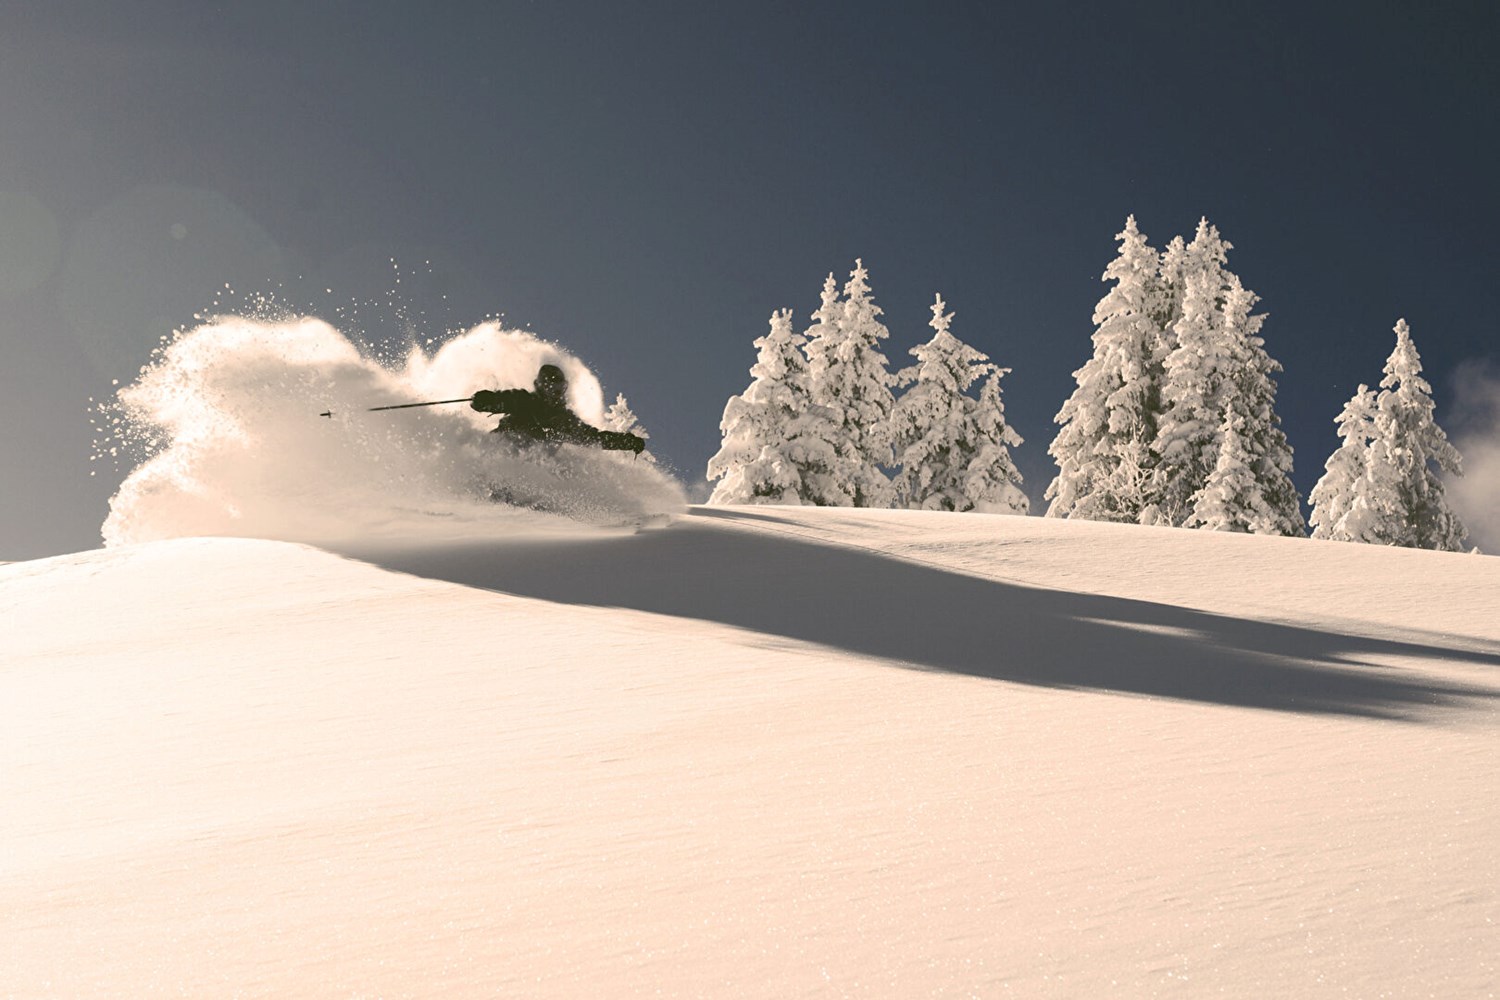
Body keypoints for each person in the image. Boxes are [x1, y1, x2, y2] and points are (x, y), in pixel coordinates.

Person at [471, 364, 645, 454]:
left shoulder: (564, 420)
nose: (556, 393)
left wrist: (626, 442)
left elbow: (593, 439)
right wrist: (485, 401)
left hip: (529, 467)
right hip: (501, 449)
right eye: (551, 387)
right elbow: (501, 400)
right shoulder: (523, 400)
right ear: (540, 386)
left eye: (560, 388)